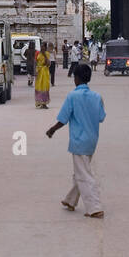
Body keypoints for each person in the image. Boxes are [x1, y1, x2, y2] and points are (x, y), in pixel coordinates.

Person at [46, 62, 106, 218]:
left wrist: (52, 129)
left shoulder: (72, 96)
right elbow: (101, 118)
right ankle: (70, 200)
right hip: (92, 140)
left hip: (79, 141)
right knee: (81, 171)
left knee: (84, 174)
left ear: (76, 78)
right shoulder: (97, 97)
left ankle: (94, 207)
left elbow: (63, 119)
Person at [34, 42, 52, 109]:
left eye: (43, 46)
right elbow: (35, 62)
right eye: (41, 46)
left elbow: (48, 63)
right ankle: (39, 102)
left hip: (45, 72)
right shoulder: (37, 53)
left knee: (45, 86)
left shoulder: (47, 54)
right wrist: (35, 71)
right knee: (38, 86)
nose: (41, 48)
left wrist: (44, 55)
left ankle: (44, 103)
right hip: (39, 72)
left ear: (45, 47)